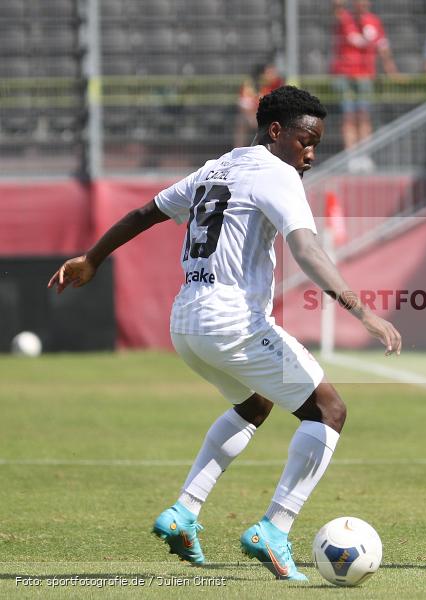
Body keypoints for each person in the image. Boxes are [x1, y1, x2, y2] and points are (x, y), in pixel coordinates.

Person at [47, 86, 401, 581]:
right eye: (306, 142)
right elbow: (307, 249)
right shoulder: (277, 174)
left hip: (186, 322)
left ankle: (184, 511)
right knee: (329, 410)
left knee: (255, 404)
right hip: (233, 321)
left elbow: (143, 214)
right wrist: (362, 311)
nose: (311, 155)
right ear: (276, 132)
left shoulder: (216, 167)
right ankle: (274, 528)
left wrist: (93, 258)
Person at [330, 0, 399, 169]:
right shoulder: (345, 18)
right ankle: (351, 156)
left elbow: (383, 46)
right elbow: (336, 9)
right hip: (344, 74)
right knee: (348, 116)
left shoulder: (374, 21)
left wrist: (391, 68)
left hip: (365, 74)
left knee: (363, 115)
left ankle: (364, 155)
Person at [235, 63, 284, 147]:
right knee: (241, 121)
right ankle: (238, 152)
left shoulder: (278, 83)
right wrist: (252, 116)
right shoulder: (250, 84)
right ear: (262, 74)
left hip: (271, 116)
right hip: (253, 115)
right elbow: (243, 104)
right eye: (270, 72)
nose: (273, 74)